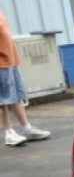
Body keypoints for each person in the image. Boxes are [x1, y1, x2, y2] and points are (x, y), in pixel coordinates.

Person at [0, 9, 50, 146]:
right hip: (1, 63)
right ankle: (8, 133)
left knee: (16, 95)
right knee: (3, 100)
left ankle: (26, 128)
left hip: (11, 60)